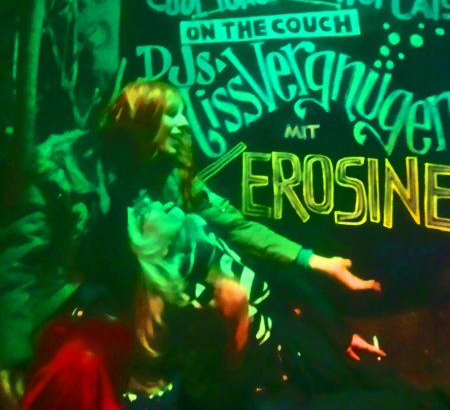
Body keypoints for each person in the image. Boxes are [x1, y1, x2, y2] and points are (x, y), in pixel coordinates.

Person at [0, 79, 438, 410]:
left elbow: (235, 224)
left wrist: (317, 261)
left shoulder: (166, 173)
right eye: (172, 116)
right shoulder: (62, 174)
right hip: (75, 314)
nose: (184, 124)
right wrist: (12, 356)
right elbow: (15, 265)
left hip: (183, 323)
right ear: (141, 122)